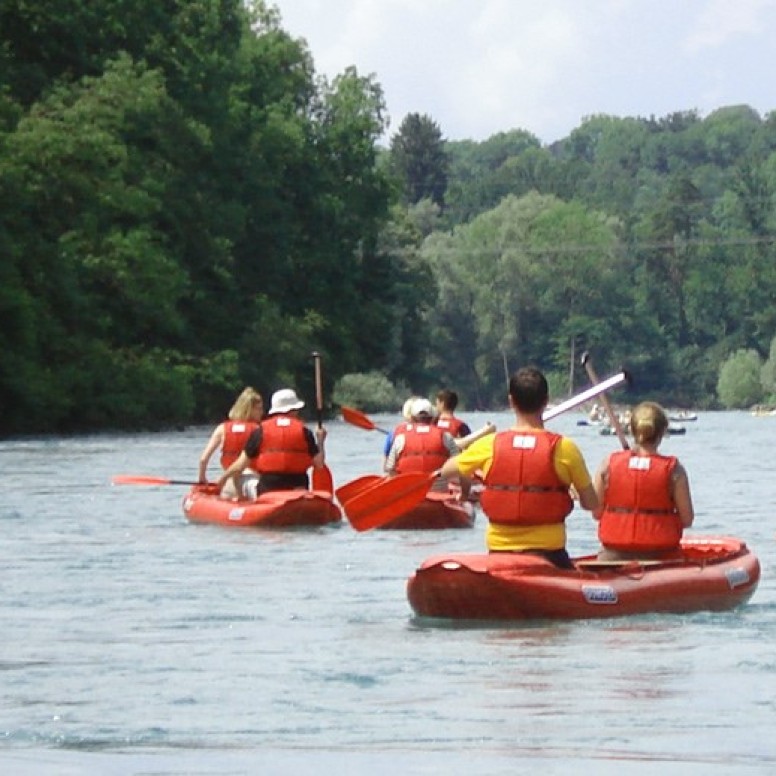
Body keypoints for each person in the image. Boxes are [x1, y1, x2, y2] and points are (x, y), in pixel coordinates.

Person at [439, 366, 598, 568]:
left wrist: (482, 473)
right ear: (546, 402)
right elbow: (591, 503)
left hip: (499, 554)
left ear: (511, 401)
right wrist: (570, 489)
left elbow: (446, 471)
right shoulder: (564, 448)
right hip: (549, 555)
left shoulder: (490, 445)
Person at [592, 401, 694, 561]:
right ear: (663, 432)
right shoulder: (675, 470)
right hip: (662, 555)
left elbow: (596, 513)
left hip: (613, 555)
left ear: (632, 430)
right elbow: (687, 519)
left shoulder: (608, 464)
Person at [218, 388, 327, 498]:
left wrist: (222, 479)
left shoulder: (260, 431)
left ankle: (238, 502)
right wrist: (320, 441)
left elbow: (239, 466)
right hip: (298, 488)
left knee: (242, 479)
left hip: (268, 491)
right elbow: (319, 464)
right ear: (293, 410)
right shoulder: (305, 432)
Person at [385, 397, 464, 495]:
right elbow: (461, 466)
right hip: (439, 495)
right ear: (432, 418)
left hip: (408, 495)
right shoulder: (446, 437)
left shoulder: (400, 439)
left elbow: (389, 468)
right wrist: (464, 494)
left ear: (412, 418)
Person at [198, 387, 264, 498]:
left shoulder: (222, 428)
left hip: (229, 482)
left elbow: (203, 459)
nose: (262, 412)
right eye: (259, 409)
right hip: (253, 479)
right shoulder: (259, 430)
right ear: (249, 409)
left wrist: (202, 479)